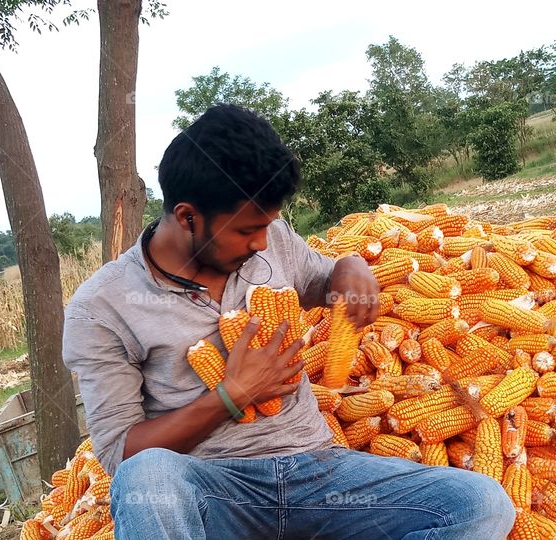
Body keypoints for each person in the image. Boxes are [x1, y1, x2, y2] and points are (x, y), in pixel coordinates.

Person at [63, 104, 515, 539]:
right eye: (245, 231)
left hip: (318, 474)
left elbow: (326, 280)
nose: (262, 243)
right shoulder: (102, 307)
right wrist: (232, 395)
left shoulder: (274, 240)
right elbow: (121, 452)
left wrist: (349, 264)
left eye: (268, 225)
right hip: (216, 493)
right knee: (146, 478)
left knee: (481, 505)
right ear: (187, 216)